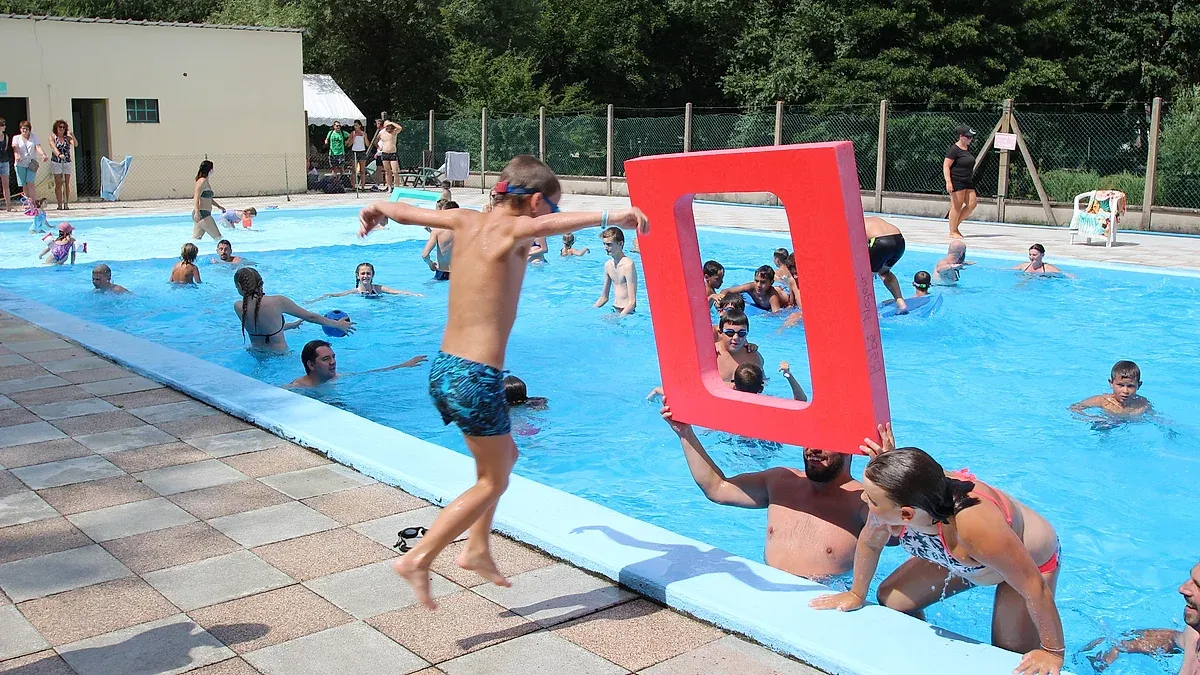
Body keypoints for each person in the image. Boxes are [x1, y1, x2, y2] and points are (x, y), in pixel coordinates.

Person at [358, 154, 648, 610]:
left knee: (504, 459)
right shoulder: (514, 228)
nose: (551, 216)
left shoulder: (463, 219)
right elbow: (544, 229)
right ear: (534, 202)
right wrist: (617, 214)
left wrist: (376, 209)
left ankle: (477, 548)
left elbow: (404, 210)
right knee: (492, 481)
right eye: (550, 208)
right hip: (475, 376)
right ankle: (420, 557)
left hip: (445, 368)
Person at [811, 426, 1066, 675]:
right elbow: (870, 542)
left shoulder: (974, 526)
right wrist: (856, 593)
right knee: (892, 599)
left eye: (872, 498)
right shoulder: (898, 502)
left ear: (906, 514)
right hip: (971, 560)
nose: (864, 499)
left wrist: (1053, 651)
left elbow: (1033, 586)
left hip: (1027, 562)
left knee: (1010, 656)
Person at [659, 389, 870, 578]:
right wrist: (685, 433)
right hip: (766, 587)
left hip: (824, 596)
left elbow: (896, 535)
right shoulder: (781, 482)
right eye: (811, 437)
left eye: (826, 441)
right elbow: (716, 488)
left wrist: (886, 475)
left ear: (848, 448)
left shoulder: (862, 500)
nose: (814, 448)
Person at [1084, 561, 1200, 674]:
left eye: (1198, 585)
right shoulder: (1195, 633)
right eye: (1190, 579)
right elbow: (1173, 637)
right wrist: (1122, 646)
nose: (1182, 588)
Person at [234, 268, 354, 352]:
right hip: (279, 356)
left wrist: (292, 325)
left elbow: (263, 329)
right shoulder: (277, 301)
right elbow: (311, 317)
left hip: (255, 353)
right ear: (260, 283)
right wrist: (337, 324)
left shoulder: (239, 307)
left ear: (239, 286)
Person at [288, 340, 426, 388]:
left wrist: (404, 364)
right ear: (311, 365)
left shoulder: (335, 378)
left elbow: (370, 373)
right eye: (326, 359)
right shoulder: (297, 388)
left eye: (333, 357)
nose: (333, 362)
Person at [1070, 360, 1151, 419]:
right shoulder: (1102, 400)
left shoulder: (1143, 403)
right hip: (1107, 424)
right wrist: (1093, 418)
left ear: (1139, 385)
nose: (1125, 391)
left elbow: (1154, 417)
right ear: (1111, 383)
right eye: (1120, 385)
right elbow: (1074, 408)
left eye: (1130, 386)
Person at [311, 262, 421, 300]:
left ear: (372, 275)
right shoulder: (354, 292)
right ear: (357, 276)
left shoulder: (378, 288)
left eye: (368, 273)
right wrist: (318, 299)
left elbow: (397, 292)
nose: (365, 276)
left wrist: (415, 294)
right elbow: (334, 295)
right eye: (363, 273)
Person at [865, 216, 908, 314]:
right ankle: (901, 302)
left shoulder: (857, 222)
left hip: (881, 242)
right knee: (884, 272)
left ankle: (869, 310)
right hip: (899, 240)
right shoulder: (873, 219)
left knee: (866, 278)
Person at [594, 226, 639, 316]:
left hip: (628, 313)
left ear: (620, 244)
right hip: (615, 310)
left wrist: (618, 317)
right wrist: (590, 312)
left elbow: (632, 303)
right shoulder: (608, 265)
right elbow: (604, 297)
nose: (605, 248)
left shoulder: (628, 265)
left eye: (609, 244)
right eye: (604, 244)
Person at [944, 125, 978, 239]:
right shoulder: (954, 149)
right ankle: (952, 231)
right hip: (957, 180)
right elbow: (946, 165)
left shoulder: (968, 149)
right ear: (961, 137)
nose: (970, 139)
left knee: (972, 203)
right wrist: (948, 181)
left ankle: (955, 225)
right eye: (968, 137)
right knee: (956, 206)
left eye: (971, 137)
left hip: (967, 180)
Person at [715, 309, 763, 382]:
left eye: (741, 333)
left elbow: (763, 383)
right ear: (720, 332)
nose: (736, 338)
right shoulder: (712, 354)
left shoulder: (753, 356)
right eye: (730, 333)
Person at [720, 265, 787, 312]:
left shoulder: (772, 296)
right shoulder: (750, 287)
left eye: (763, 282)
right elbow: (726, 290)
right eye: (756, 281)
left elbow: (777, 313)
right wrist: (720, 300)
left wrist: (765, 316)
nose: (758, 285)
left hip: (786, 297)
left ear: (771, 282)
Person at [12, 121, 49, 204]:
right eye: (22, 128)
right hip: (20, 164)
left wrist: (43, 154)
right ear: (20, 129)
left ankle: (34, 202)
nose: (24, 130)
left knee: (30, 183)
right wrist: (17, 156)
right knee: (24, 185)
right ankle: (28, 203)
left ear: (29, 130)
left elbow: (37, 146)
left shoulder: (33, 137)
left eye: (26, 129)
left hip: (31, 163)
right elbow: (15, 148)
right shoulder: (16, 138)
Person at [193, 161, 225, 241]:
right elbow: (196, 198)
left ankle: (188, 253)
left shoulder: (206, 182)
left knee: (196, 240)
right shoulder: (202, 181)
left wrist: (219, 206)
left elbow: (209, 198)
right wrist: (197, 213)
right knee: (219, 239)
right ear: (209, 170)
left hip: (204, 214)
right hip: (203, 214)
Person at [49, 119, 77, 210]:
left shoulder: (67, 138)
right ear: (56, 128)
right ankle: (59, 204)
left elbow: (75, 144)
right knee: (59, 183)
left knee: (66, 183)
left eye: (63, 127)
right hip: (56, 161)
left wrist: (71, 135)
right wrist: (58, 154)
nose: (61, 129)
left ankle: (66, 203)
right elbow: (53, 147)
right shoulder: (53, 137)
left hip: (67, 161)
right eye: (60, 127)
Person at [423, 204, 457, 281]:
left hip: (442, 273)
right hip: (461, 274)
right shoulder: (467, 231)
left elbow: (425, 255)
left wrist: (430, 264)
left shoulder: (437, 231)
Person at [375, 120, 402, 191]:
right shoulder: (382, 133)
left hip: (393, 153)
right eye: (387, 126)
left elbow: (400, 128)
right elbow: (375, 141)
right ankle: (389, 187)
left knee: (395, 171)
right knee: (387, 172)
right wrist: (379, 147)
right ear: (384, 126)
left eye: (389, 126)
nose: (388, 127)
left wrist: (391, 123)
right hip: (384, 153)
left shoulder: (394, 132)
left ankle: (397, 187)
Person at [347, 121, 370, 190]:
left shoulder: (363, 133)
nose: (355, 127)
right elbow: (349, 144)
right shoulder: (353, 133)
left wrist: (364, 136)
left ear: (360, 126)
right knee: (354, 170)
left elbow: (367, 144)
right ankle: (353, 186)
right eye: (354, 126)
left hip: (362, 151)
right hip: (354, 151)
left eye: (356, 125)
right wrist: (353, 138)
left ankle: (363, 186)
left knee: (362, 170)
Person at [0, 118, 12, 211]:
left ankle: (9, 206)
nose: (4, 127)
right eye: (2, 125)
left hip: (4, 161)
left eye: (4, 125)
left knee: (6, 185)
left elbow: (5, 148)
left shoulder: (6, 136)